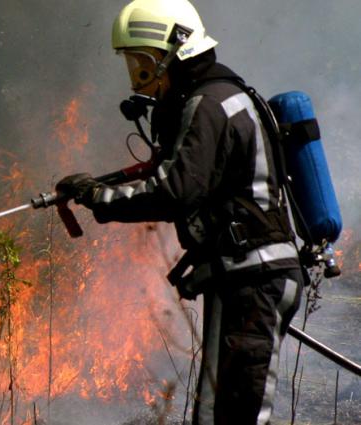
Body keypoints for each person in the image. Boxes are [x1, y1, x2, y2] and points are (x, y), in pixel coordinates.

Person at [54, 0, 304, 423]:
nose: (138, 76)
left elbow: (174, 191)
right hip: (243, 278)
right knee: (211, 414)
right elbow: (180, 175)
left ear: (172, 52)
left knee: (236, 417)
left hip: (253, 279)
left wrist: (98, 197)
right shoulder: (219, 98)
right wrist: (100, 187)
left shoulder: (209, 104)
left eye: (142, 63)